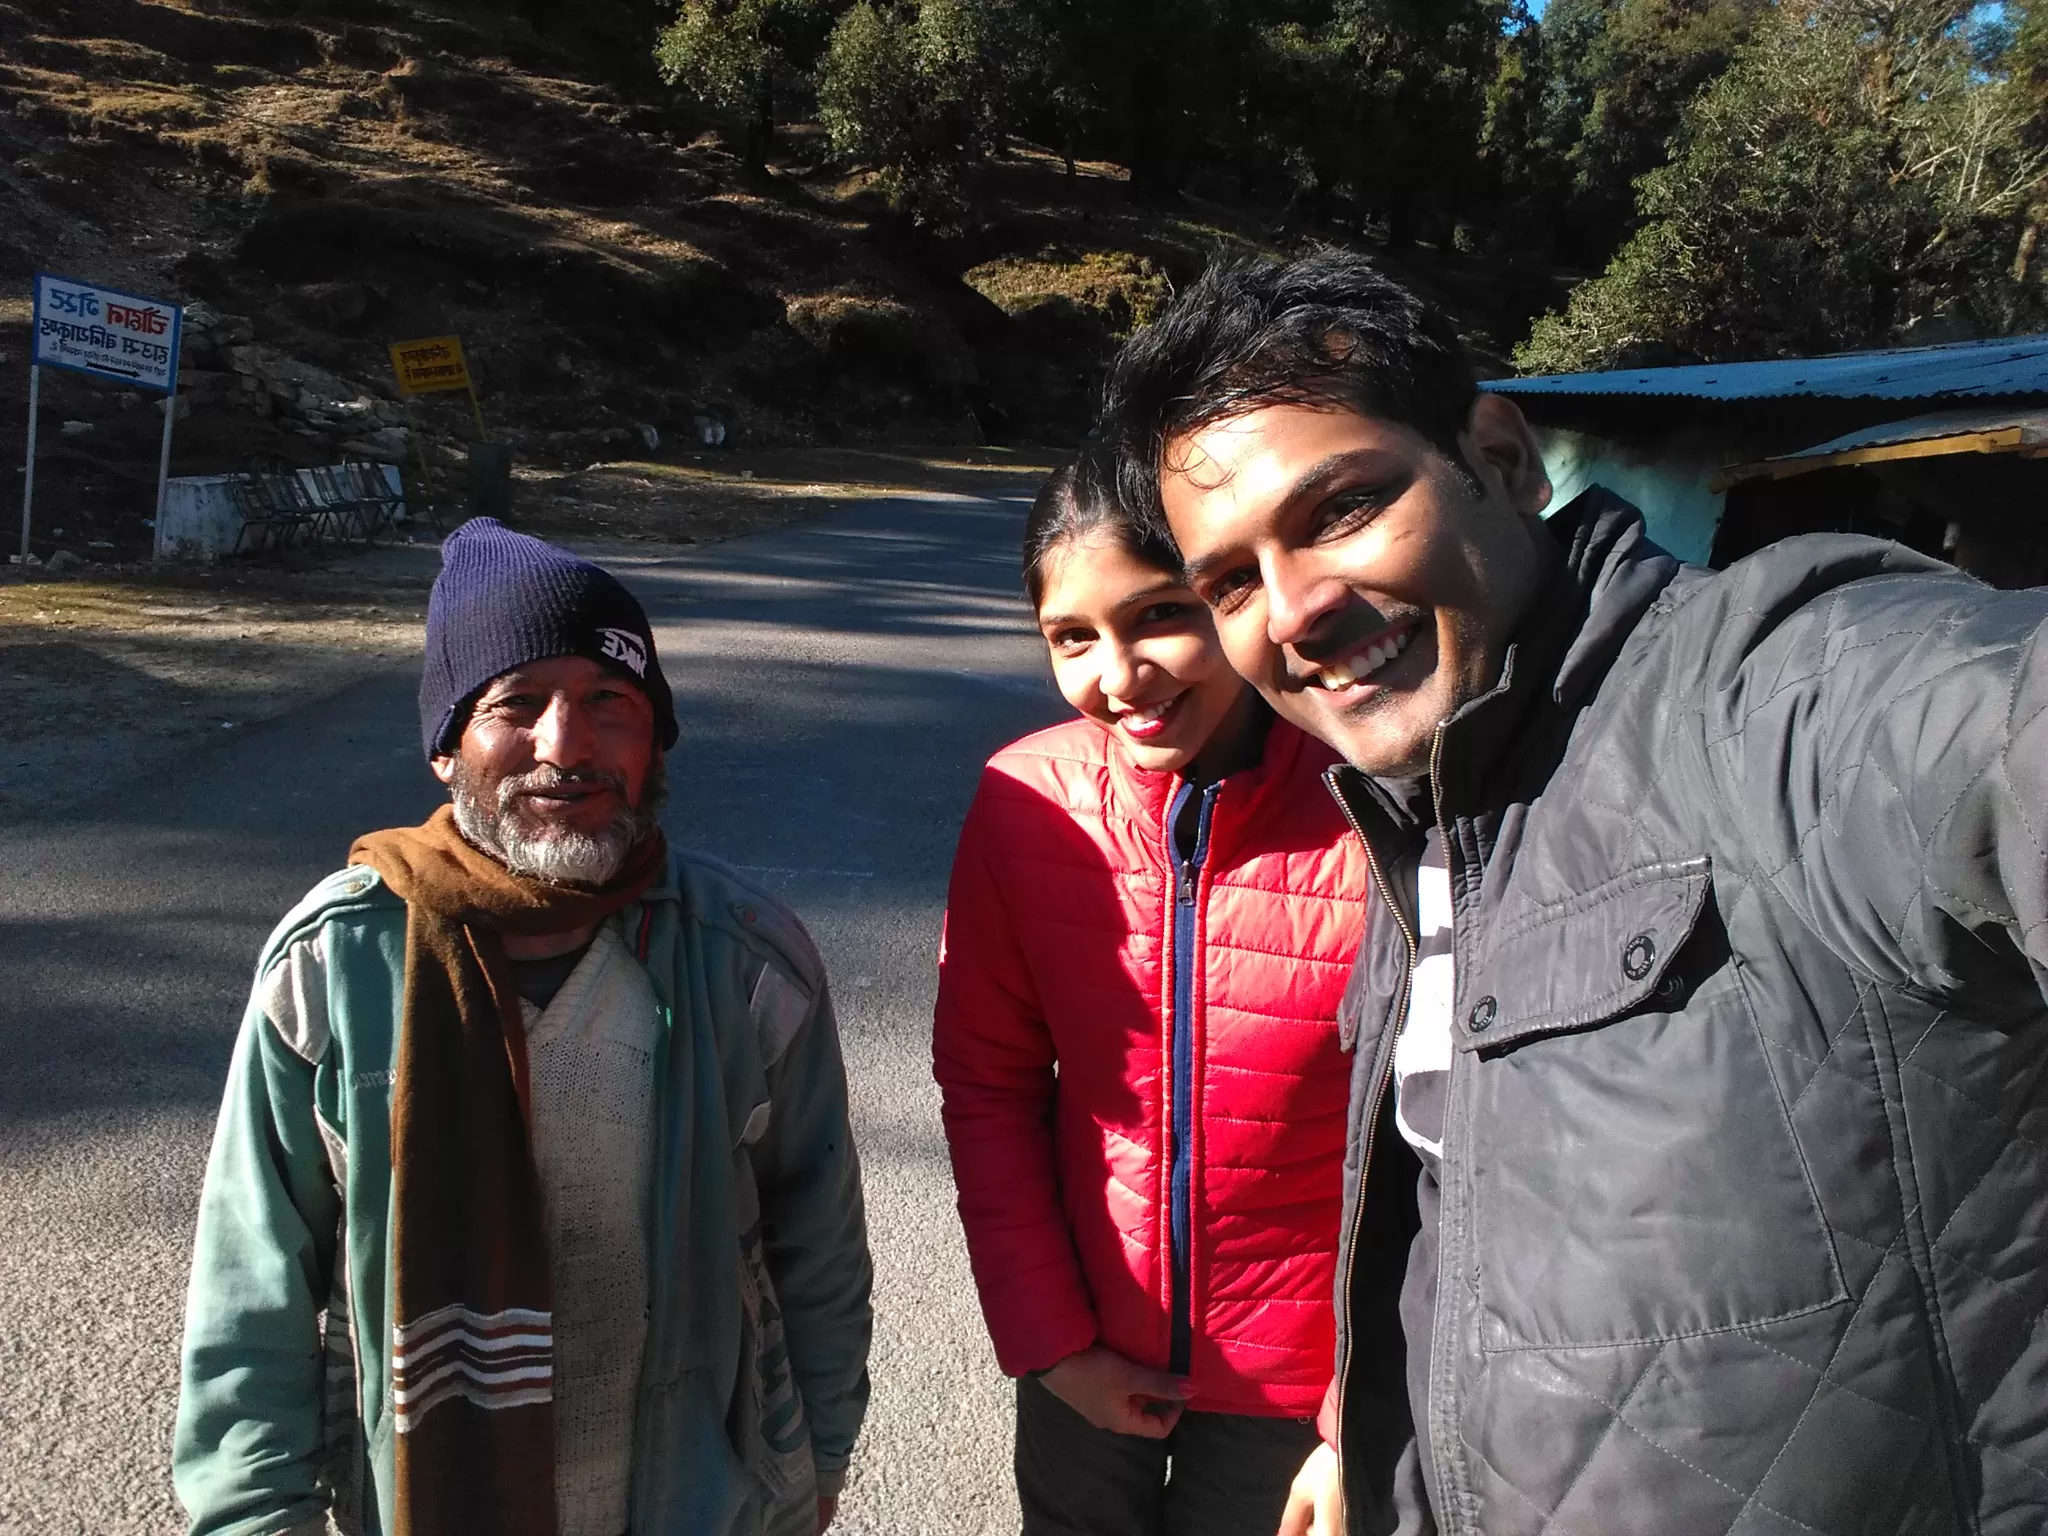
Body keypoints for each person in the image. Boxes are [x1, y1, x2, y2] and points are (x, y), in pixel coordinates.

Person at [1096, 247, 2048, 1536]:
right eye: (1228, 581)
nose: (1292, 611)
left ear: (1495, 457)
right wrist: (1366, 1436)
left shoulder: (1776, 688)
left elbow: (1995, 736)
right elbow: (1465, 1209)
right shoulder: (1415, 802)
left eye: (1337, 510)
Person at [173, 519, 872, 1536]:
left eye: (609, 704)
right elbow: (253, 1287)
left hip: (692, 1500)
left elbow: (818, 1244)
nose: (566, 746)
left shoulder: (746, 962)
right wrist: (251, 1515)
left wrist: (820, 1462)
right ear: (449, 746)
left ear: (654, 741)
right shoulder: (335, 964)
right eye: (517, 704)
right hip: (417, 1495)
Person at [932, 451, 1387, 1535]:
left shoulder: (1370, 803)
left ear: (1232, 593)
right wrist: (1048, 1343)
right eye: (1071, 637)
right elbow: (988, 1086)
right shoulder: (1022, 799)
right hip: (1086, 1357)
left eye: (1159, 615)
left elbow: (1439, 1136)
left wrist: (1361, 1411)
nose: (1120, 675)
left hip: (1301, 1395)